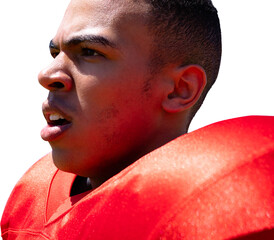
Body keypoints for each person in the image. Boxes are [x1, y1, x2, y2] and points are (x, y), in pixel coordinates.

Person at [1, 0, 273, 239]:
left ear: (180, 88)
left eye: (89, 51)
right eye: (55, 53)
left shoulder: (222, 210)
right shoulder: (33, 196)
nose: (47, 74)